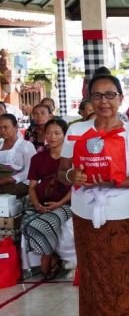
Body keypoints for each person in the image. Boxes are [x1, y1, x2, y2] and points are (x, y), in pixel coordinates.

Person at [58, 73, 129, 316]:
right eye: (97, 96)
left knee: (122, 272)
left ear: (121, 99)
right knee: (92, 272)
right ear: (89, 100)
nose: (104, 102)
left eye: (110, 95)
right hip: (85, 212)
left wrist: (118, 183)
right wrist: (74, 175)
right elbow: (62, 172)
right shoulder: (76, 131)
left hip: (122, 211)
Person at [21, 118, 72, 281]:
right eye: (48, 133)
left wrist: (59, 203)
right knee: (26, 224)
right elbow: (32, 187)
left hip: (66, 203)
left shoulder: (72, 157)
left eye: (57, 133)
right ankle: (52, 256)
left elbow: (76, 189)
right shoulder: (38, 158)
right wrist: (36, 204)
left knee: (42, 225)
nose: (52, 137)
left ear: (65, 135)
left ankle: (47, 258)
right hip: (41, 202)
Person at [0, 114, 36, 197]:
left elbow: (30, 170)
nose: (2, 130)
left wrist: (9, 179)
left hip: (19, 183)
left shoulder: (26, 146)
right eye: (0, 127)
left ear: (16, 127)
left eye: (6, 127)